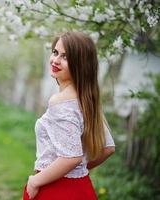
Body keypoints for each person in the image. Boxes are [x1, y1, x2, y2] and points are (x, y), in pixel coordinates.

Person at [23, 32, 116, 200]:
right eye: (55, 52)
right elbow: (107, 148)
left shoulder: (61, 102)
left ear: (81, 64)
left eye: (65, 57)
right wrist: (78, 170)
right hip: (82, 188)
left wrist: (35, 181)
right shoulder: (87, 99)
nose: (55, 60)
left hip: (56, 190)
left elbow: (71, 158)